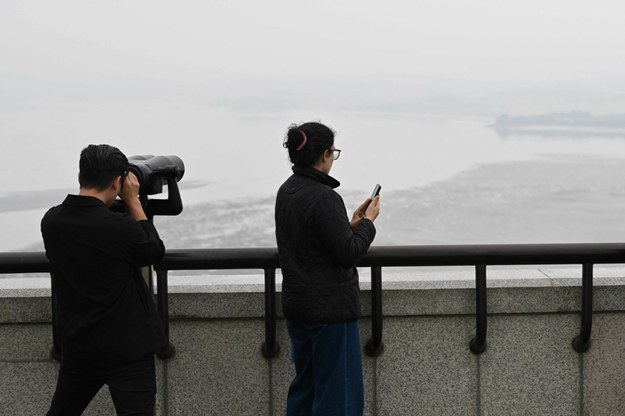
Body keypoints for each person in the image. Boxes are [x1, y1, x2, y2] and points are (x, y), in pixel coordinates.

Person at [41, 144, 167, 416]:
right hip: (128, 350)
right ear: (117, 182)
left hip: (80, 345)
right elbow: (152, 251)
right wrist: (133, 203)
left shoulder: (51, 221)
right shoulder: (118, 227)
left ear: (79, 176)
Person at [275, 122, 380, 415]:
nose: (333, 157)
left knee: (306, 390)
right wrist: (369, 223)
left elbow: (313, 242)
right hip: (330, 312)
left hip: (299, 307)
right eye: (333, 151)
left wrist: (349, 225)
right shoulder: (324, 196)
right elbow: (348, 253)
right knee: (338, 397)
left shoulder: (288, 191)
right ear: (323, 154)